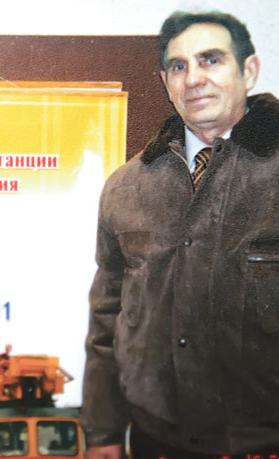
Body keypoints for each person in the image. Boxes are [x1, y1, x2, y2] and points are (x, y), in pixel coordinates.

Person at [81, 10, 279, 459]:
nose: (194, 79)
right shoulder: (125, 187)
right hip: (156, 441)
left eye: (211, 60)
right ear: (165, 83)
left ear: (248, 71)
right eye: (178, 66)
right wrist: (102, 431)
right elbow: (107, 319)